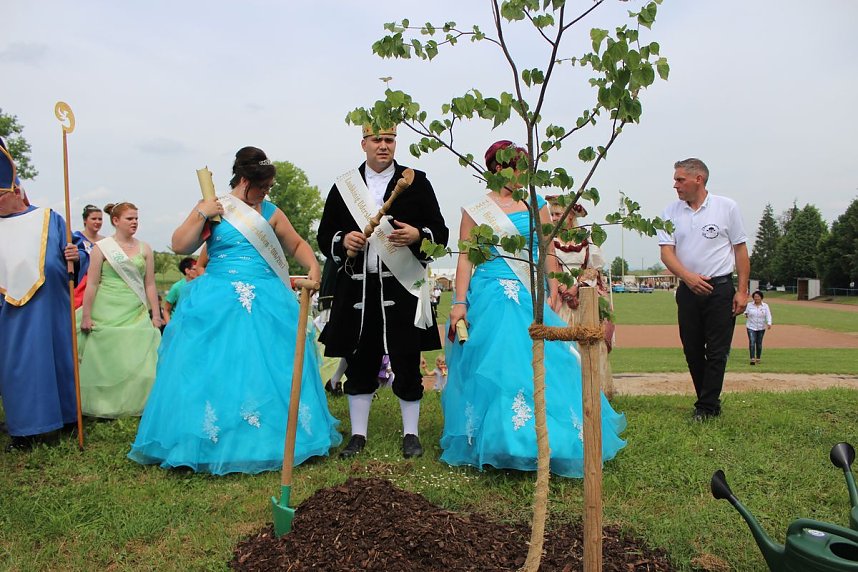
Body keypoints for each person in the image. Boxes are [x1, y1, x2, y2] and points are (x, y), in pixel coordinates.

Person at [129, 146, 341, 475]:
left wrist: (312, 266)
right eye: (262, 187)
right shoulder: (216, 209)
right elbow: (179, 245)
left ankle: (274, 439)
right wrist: (201, 212)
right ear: (244, 180)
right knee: (214, 367)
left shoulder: (270, 211)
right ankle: (209, 440)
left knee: (270, 365)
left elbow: (296, 244)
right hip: (218, 296)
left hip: (268, 296)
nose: (266, 193)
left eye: (269, 188)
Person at [440, 140, 627, 477]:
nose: (524, 174)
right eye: (517, 166)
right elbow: (466, 258)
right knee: (500, 361)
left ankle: (550, 439)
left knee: (541, 357)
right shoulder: (474, 210)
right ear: (497, 168)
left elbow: (546, 251)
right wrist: (458, 303)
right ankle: (504, 442)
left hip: (530, 292)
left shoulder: (537, 203)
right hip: (490, 292)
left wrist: (553, 284)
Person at [317, 124, 448, 459]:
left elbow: (441, 232)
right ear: (364, 144)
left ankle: (411, 435)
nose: (384, 146)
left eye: (389, 140)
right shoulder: (344, 185)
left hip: (404, 286)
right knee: (359, 359)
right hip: (357, 287)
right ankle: (358, 435)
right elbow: (325, 234)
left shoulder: (415, 180)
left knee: (406, 357)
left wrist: (418, 235)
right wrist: (343, 240)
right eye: (377, 140)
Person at [0, 137, 88, 451]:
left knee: (52, 360)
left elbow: (76, 255)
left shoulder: (48, 219)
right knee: (16, 365)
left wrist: (74, 256)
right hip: (8, 312)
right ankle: (24, 424)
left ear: (15, 191)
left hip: (48, 309)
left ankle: (61, 418)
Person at [657, 158, 750, 421]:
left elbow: (740, 250)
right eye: (675, 179)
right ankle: (707, 400)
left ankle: (707, 407)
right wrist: (688, 278)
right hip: (688, 290)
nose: (675, 185)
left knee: (718, 351)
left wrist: (741, 291)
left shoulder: (727, 207)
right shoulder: (670, 212)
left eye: (680, 179)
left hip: (720, 289)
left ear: (698, 179)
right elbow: (667, 252)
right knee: (693, 349)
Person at [77, 202, 162, 418]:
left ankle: (138, 404)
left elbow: (149, 284)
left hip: (135, 308)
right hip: (106, 307)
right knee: (107, 360)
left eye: (136, 218)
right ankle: (103, 406)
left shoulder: (145, 248)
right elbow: (93, 283)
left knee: (141, 358)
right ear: (116, 221)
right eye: (129, 218)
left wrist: (156, 314)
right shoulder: (102, 248)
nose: (134, 222)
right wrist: (86, 315)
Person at [72, 204, 105, 307]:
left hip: (101, 283)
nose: (97, 222)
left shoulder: (106, 241)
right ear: (85, 220)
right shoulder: (76, 239)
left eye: (100, 219)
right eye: (94, 219)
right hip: (81, 284)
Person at [163, 256, 198, 323]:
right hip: (178, 326)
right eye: (194, 269)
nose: (198, 271)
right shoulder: (177, 287)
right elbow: (166, 310)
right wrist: (170, 328)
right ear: (187, 271)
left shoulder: (200, 285)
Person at [744, 290, 772, 365]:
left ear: (761, 297)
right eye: (755, 297)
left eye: (758, 297)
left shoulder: (765, 306)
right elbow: (745, 312)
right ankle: (752, 358)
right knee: (752, 342)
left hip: (761, 327)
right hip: (751, 326)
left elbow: (768, 315)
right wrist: (746, 314)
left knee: (759, 343)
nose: (756, 298)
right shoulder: (749, 305)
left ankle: (758, 358)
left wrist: (769, 323)